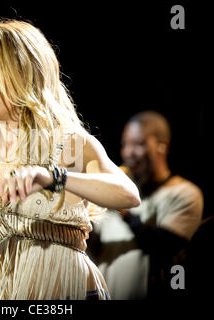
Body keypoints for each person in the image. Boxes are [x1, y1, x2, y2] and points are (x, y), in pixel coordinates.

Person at [0, 19, 140, 300]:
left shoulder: (67, 141)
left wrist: (53, 176)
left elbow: (128, 195)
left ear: (25, 71)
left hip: (67, 292)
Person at [87, 111, 204, 299]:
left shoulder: (184, 194)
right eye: (125, 144)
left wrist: (122, 207)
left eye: (138, 144)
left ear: (162, 146)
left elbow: (165, 246)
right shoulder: (115, 191)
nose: (128, 153)